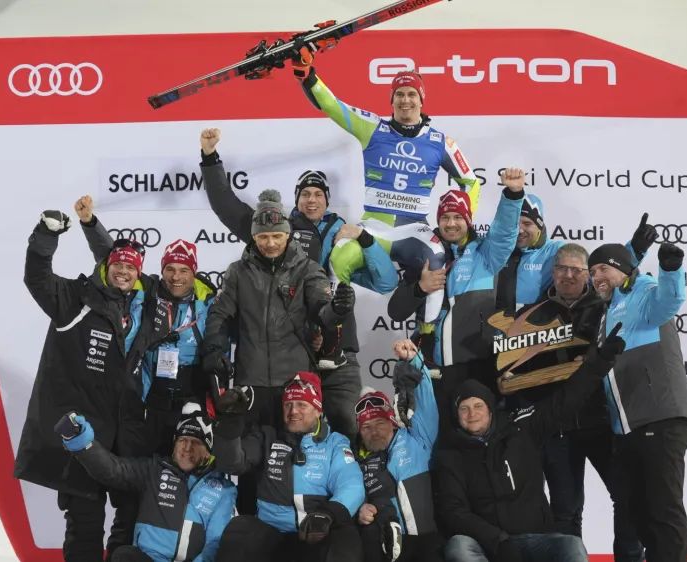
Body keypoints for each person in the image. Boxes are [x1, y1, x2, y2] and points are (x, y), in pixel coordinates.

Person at [198, 128, 397, 440]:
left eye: (318, 193)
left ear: (328, 200)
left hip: (337, 347)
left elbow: (386, 282)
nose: (312, 199)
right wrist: (210, 159)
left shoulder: (348, 233)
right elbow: (226, 205)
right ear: (295, 200)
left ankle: (350, 486)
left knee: (343, 427)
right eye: (305, 193)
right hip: (295, 352)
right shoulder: (273, 229)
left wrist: (367, 240)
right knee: (291, 435)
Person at [292, 46, 482, 324]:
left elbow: (471, 182)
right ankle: (328, 326)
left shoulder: (440, 142)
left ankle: (427, 336)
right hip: (373, 227)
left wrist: (462, 221)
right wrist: (307, 76)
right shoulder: (372, 127)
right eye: (400, 94)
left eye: (412, 94)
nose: (406, 100)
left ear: (422, 99)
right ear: (392, 99)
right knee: (340, 257)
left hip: (412, 229)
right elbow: (333, 106)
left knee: (437, 256)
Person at [13, 209, 150, 561]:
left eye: (131, 267)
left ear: (138, 274)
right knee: (85, 527)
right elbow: (37, 278)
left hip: (125, 439)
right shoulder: (76, 298)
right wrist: (47, 234)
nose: (123, 271)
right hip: (81, 438)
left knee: (131, 523)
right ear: (106, 266)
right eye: (117, 264)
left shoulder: (143, 308)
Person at [432, 323, 629, 562]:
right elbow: (454, 512)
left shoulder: (522, 428)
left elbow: (565, 402)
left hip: (535, 540)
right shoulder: (450, 455)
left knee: (571, 545)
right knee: (459, 546)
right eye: (464, 409)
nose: (472, 414)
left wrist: (599, 362)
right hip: (487, 544)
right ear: (457, 416)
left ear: (491, 410)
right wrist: (497, 540)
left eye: (478, 406)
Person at [499, 243, 643, 562]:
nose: (567, 275)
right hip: (556, 428)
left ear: (588, 275)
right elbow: (512, 371)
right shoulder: (531, 317)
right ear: (552, 272)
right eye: (561, 268)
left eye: (575, 270)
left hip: (604, 421)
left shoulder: (608, 307)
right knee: (565, 513)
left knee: (629, 497)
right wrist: (510, 381)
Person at [74, 195, 222, 457]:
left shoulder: (209, 303)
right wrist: (90, 223)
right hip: (151, 402)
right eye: (170, 269)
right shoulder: (148, 290)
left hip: (193, 404)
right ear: (162, 270)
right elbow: (114, 262)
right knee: (149, 474)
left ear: (194, 272)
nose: (176, 277)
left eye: (184, 270)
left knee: (187, 470)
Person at [386, 168, 524, 436]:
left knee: (478, 438)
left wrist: (512, 195)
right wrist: (420, 287)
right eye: (445, 217)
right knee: (440, 441)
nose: (451, 223)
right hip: (431, 367)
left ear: (468, 220)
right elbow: (396, 310)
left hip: (476, 364)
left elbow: (506, 232)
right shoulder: (424, 256)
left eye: (458, 217)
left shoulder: (486, 255)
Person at [588, 236, 687, 562]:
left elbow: (670, 299)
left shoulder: (645, 292)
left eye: (603, 269)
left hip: (659, 417)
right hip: (629, 427)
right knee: (636, 512)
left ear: (623, 270)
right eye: (592, 272)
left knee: (663, 510)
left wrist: (670, 268)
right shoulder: (608, 309)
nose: (596, 277)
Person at [210, 372, 366, 562]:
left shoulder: (334, 442)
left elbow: (351, 484)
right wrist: (230, 423)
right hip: (273, 535)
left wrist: (328, 514)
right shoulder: (266, 436)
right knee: (241, 530)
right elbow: (232, 464)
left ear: (318, 410)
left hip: (318, 531)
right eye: (288, 405)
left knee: (345, 538)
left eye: (302, 404)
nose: (293, 411)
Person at [54, 402, 237, 562]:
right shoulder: (154, 469)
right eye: (182, 440)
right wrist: (81, 441)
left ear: (208, 451)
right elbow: (113, 470)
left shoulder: (223, 489)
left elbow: (215, 543)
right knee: (124, 556)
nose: (187, 448)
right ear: (174, 444)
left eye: (196, 442)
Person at [354, 339, 443, 562]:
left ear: (393, 421)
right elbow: (344, 495)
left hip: (428, 543)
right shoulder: (353, 461)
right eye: (366, 427)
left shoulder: (417, 438)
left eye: (380, 424)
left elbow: (425, 398)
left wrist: (412, 358)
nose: (374, 432)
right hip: (388, 549)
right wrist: (360, 511)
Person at [495, 193, 656, 315]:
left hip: (534, 340)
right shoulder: (495, 251)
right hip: (492, 342)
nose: (519, 230)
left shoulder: (556, 251)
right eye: (514, 224)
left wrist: (635, 249)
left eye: (527, 223)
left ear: (540, 225)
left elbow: (598, 271)